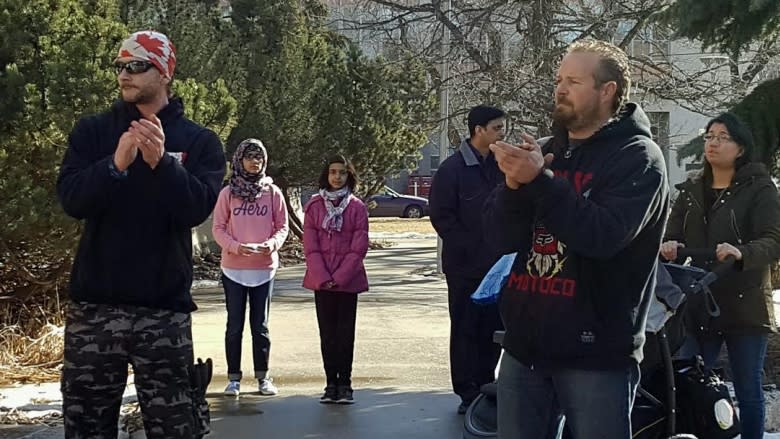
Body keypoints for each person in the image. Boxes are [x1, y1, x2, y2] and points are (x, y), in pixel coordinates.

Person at [486, 40, 669, 438]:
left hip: (596, 355)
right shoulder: (547, 153)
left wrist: (541, 183)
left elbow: (602, 236)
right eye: (558, 79)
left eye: (573, 80)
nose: (560, 89)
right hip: (525, 348)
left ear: (608, 91)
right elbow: (499, 239)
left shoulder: (639, 157)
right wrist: (515, 187)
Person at [56, 30, 225, 438]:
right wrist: (114, 164)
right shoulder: (93, 132)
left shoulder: (198, 141)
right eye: (119, 66)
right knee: (86, 427)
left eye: (137, 65)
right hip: (95, 310)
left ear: (164, 72)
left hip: (162, 311)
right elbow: (73, 200)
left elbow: (195, 209)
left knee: (175, 428)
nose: (125, 74)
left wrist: (162, 165)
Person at [660, 113, 780, 439]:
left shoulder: (760, 188)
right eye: (709, 135)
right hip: (698, 301)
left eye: (722, 137)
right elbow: (671, 236)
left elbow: (773, 239)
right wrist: (669, 246)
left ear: (740, 148)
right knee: (690, 381)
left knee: (748, 390)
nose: (713, 142)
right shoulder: (691, 190)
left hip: (744, 304)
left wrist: (743, 252)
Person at [429, 105, 507, 414]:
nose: (503, 133)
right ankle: (466, 390)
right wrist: (473, 248)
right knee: (465, 329)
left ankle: (487, 382)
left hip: (498, 267)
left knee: (494, 328)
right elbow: (442, 218)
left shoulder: (502, 165)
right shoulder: (452, 170)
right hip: (465, 268)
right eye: (497, 128)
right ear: (479, 130)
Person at [212, 138, 289, 397]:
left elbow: (282, 227)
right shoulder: (228, 193)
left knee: (261, 327)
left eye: (259, 158)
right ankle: (233, 378)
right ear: (239, 160)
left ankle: (263, 377)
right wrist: (235, 246)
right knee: (234, 325)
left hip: (263, 269)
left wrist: (272, 244)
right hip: (233, 269)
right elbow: (218, 229)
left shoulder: (273, 192)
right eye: (250, 157)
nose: (255, 162)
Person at [302, 155, 369, 405]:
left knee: (345, 334)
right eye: (332, 172)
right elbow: (310, 246)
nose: (337, 177)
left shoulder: (357, 207)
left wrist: (340, 277)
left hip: (347, 281)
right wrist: (323, 276)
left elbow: (359, 247)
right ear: (326, 175)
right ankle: (331, 383)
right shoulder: (315, 206)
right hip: (322, 281)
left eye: (342, 172)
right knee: (327, 334)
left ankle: (346, 383)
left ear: (348, 175)